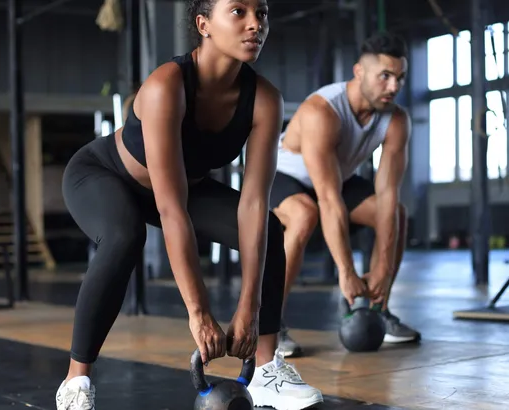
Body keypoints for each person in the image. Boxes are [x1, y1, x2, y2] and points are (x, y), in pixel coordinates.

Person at [55, 0, 323, 409]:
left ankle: (267, 370)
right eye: (238, 12)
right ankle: (76, 382)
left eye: (262, 13)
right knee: (125, 236)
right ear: (204, 25)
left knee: (270, 227)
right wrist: (199, 313)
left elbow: (252, 203)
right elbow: (171, 209)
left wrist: (248, 308)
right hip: (105, 175)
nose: (255, 24)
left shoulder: (265, 99)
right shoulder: (168, 84)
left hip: (185, 187)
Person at [270, 31, 421, 357]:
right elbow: (329, 199)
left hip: (338, 180)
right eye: (385, 76)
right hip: (285, 176)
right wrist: (347, 271)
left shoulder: (396, 120)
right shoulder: (322, 111)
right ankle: (269, 323)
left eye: (400, 78)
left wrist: (382, 267)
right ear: (359, 72)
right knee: (305, 213)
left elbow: (389, 195)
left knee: (397, 212)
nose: (394, 87)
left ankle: (379, 310)